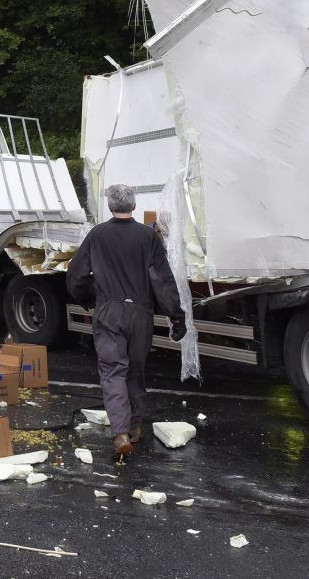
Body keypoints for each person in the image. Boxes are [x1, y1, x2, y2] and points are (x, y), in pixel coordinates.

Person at [66, 184, 187, 460]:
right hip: (141, 313)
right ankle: (135, 426)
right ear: (133, 206)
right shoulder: (148, 236)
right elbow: (163, 280)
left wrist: (87, 299)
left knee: (112, 371)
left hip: (109, 310)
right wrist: (176, 317)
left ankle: (120, 433)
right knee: (135, 369)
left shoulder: (97, 235)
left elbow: (76, 274)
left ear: (110, 206)